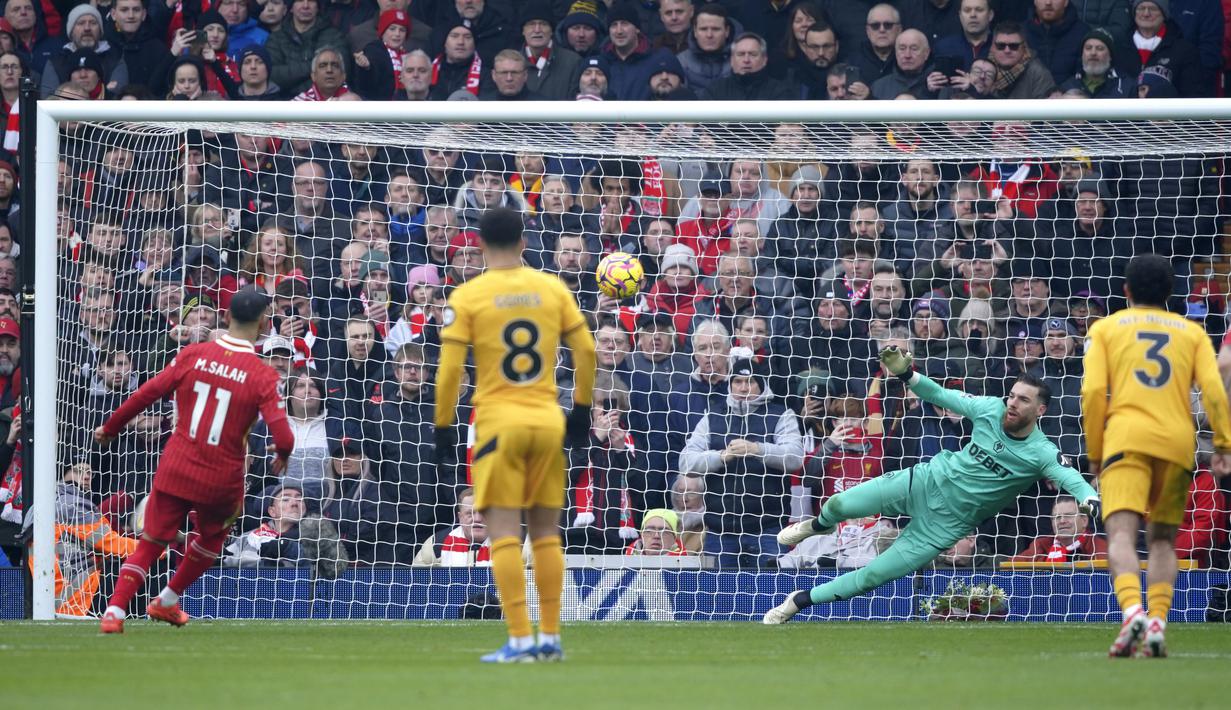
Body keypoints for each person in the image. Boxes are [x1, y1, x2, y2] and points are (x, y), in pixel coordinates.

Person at [764, 347, 1099, 625]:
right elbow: (939, 394)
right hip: (924, 482)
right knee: (838, 505)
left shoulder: (1042, 452)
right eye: (1011, 396)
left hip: (946, 525)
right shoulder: (989, 408)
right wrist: (906, 374)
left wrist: (1089, 498)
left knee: (872, 577)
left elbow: (1073, 480)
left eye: (1023, 400)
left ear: (1040, 410)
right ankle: (816, 526)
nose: (1012, 403)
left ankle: (798, 601)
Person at [433, 207, 596, 663]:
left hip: (497, 424)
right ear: (524, 243)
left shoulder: (469, 294)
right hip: (546, 420)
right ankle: (551, 638)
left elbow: (449, 370)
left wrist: (443, 424)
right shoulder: (552, 288)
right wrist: (582, 409)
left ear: (481, 246)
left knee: (504, 534)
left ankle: (521, 639)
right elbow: (585, 349)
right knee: (545, 535)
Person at [94, 287, 295, 634]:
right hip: (222, 477)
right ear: (264, 324)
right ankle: (168, 599)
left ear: (226, 317)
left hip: (177, 465)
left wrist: (111, 428)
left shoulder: (193, 354)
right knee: (212, 539)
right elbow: (285, 436)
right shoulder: (262, 374)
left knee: (152, 542)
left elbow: (146, 393)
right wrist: (282, 455)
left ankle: (114, 611)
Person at [1080, 254, 1231, 658]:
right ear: (1170, 292)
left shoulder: (1105, 328)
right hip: (1177, 444)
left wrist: (1095, 451)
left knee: (1121, 534)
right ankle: (1158, 622)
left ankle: (1133, 612)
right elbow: (1215, 392)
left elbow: (1092, 392)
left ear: (1126, 290)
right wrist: (1223, 444)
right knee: (1163, 540)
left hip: (1125, 440)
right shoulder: (1192, 332)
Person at [1010, 495, 1107, 562]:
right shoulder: (1041, 546)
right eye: (1057, 517)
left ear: (1084, 521)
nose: (1062, 521)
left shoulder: (1100, 549)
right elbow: (1009, 569)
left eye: (1069, 515)